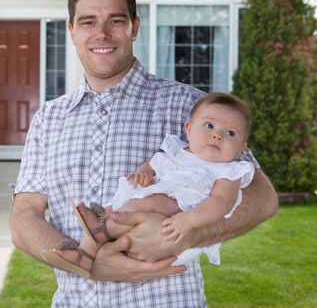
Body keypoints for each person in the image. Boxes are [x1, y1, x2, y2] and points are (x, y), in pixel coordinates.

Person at [10, 0, 278, 307]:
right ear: (72, 31)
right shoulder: (48, 120)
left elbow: (262, 199)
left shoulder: (191, 109)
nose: (102, 34)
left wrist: (184, 234)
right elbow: (24, 221)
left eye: (115, 21)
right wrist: (87, 264)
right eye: (88, 22)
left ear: (134, 27)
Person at [42, 92, 256, 278]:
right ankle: (85, 251)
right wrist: (144, 173)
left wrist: (189, 220)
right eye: (209, 125)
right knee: (124, 201)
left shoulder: (229, 171)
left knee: (148, 202)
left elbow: (221, 204)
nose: (217, 135)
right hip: (153, 200)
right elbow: (153, 164)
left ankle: (95, 236)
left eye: (230, 133)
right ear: (189, 129)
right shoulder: (176, 150)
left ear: (241, 147)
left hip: (181, 215)